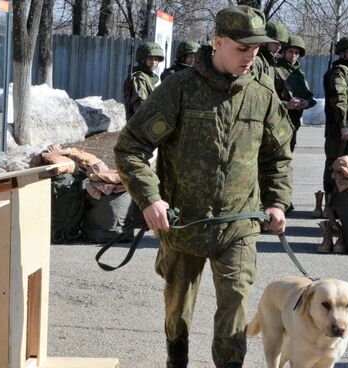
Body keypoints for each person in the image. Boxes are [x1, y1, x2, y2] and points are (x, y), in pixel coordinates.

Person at [114, 5, 293, 368]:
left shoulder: (261, 94)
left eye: (256, 48)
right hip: (183, 225)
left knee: (236, 305)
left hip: (238, 226)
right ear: (218, 42)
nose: (251, 56)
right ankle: (175, 360)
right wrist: (150, 199)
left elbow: (277, 156)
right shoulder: (180, 89)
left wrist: (277, 202)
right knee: (178, 308)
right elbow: (130, 147)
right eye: (242, 48)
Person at [316, 35, 348, 219]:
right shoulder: (339, 73)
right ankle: (329, 202)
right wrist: (343, 125)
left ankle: (337, 200)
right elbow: (339, 101)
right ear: (342, 53)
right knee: (334, 164)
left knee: (344, 164)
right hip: (339, 127)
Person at [274, 34, 317, 151]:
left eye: (296, 53)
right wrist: (287, 104)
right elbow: (267, 98)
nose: (293, 55)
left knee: (287, 158)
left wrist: (305, 103)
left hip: (293, 123)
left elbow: (311, 99)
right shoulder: (274, 69)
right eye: (290, 51)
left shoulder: (299, 74)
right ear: (283, 52)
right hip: (276, 122)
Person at [123, 41, 165, 119]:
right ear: (142, 60)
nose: (154, 62)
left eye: (156, 59)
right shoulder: (139, 78)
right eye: (150, 59)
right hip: (142, 125)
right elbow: (140, 107)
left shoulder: (148, 77)